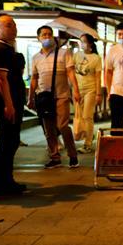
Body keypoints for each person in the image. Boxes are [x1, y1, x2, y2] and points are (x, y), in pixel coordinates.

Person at [29, 25, 81, 169]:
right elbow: (34, 79)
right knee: (49, 129)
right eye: (44, 35)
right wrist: (30, 97)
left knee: (62, 125)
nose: (47, 37)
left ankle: (72, 155)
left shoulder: (64, 53)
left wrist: (75, 90)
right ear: (38, 38)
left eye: (49, 34)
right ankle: (55, 157)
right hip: (43, 97)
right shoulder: (35, 58)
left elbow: (70, 73)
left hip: (61, 95)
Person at [0, 15, 27, 196]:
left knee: (11, 141)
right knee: (7, 142)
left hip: (13, 100)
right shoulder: (0, 49)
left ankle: (7, 181)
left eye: (14, 25)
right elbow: (2, 80)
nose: (14, 29)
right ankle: (1, 183)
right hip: (8, 102)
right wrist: (8, 105)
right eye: (9, 26)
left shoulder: (4, 48)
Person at [73, 33, 103, 152]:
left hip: (90, 89)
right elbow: (71, 73)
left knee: (87, 116)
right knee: (79, 116)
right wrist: (73, 90)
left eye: (84, 41)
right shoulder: (76, 55)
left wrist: (99, 94)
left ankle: (88, 143)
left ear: (90, 43)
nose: (82, 44)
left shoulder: (96, 58)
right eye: (80, 41)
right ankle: (85, 136)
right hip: (77, 90)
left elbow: (97, 77)